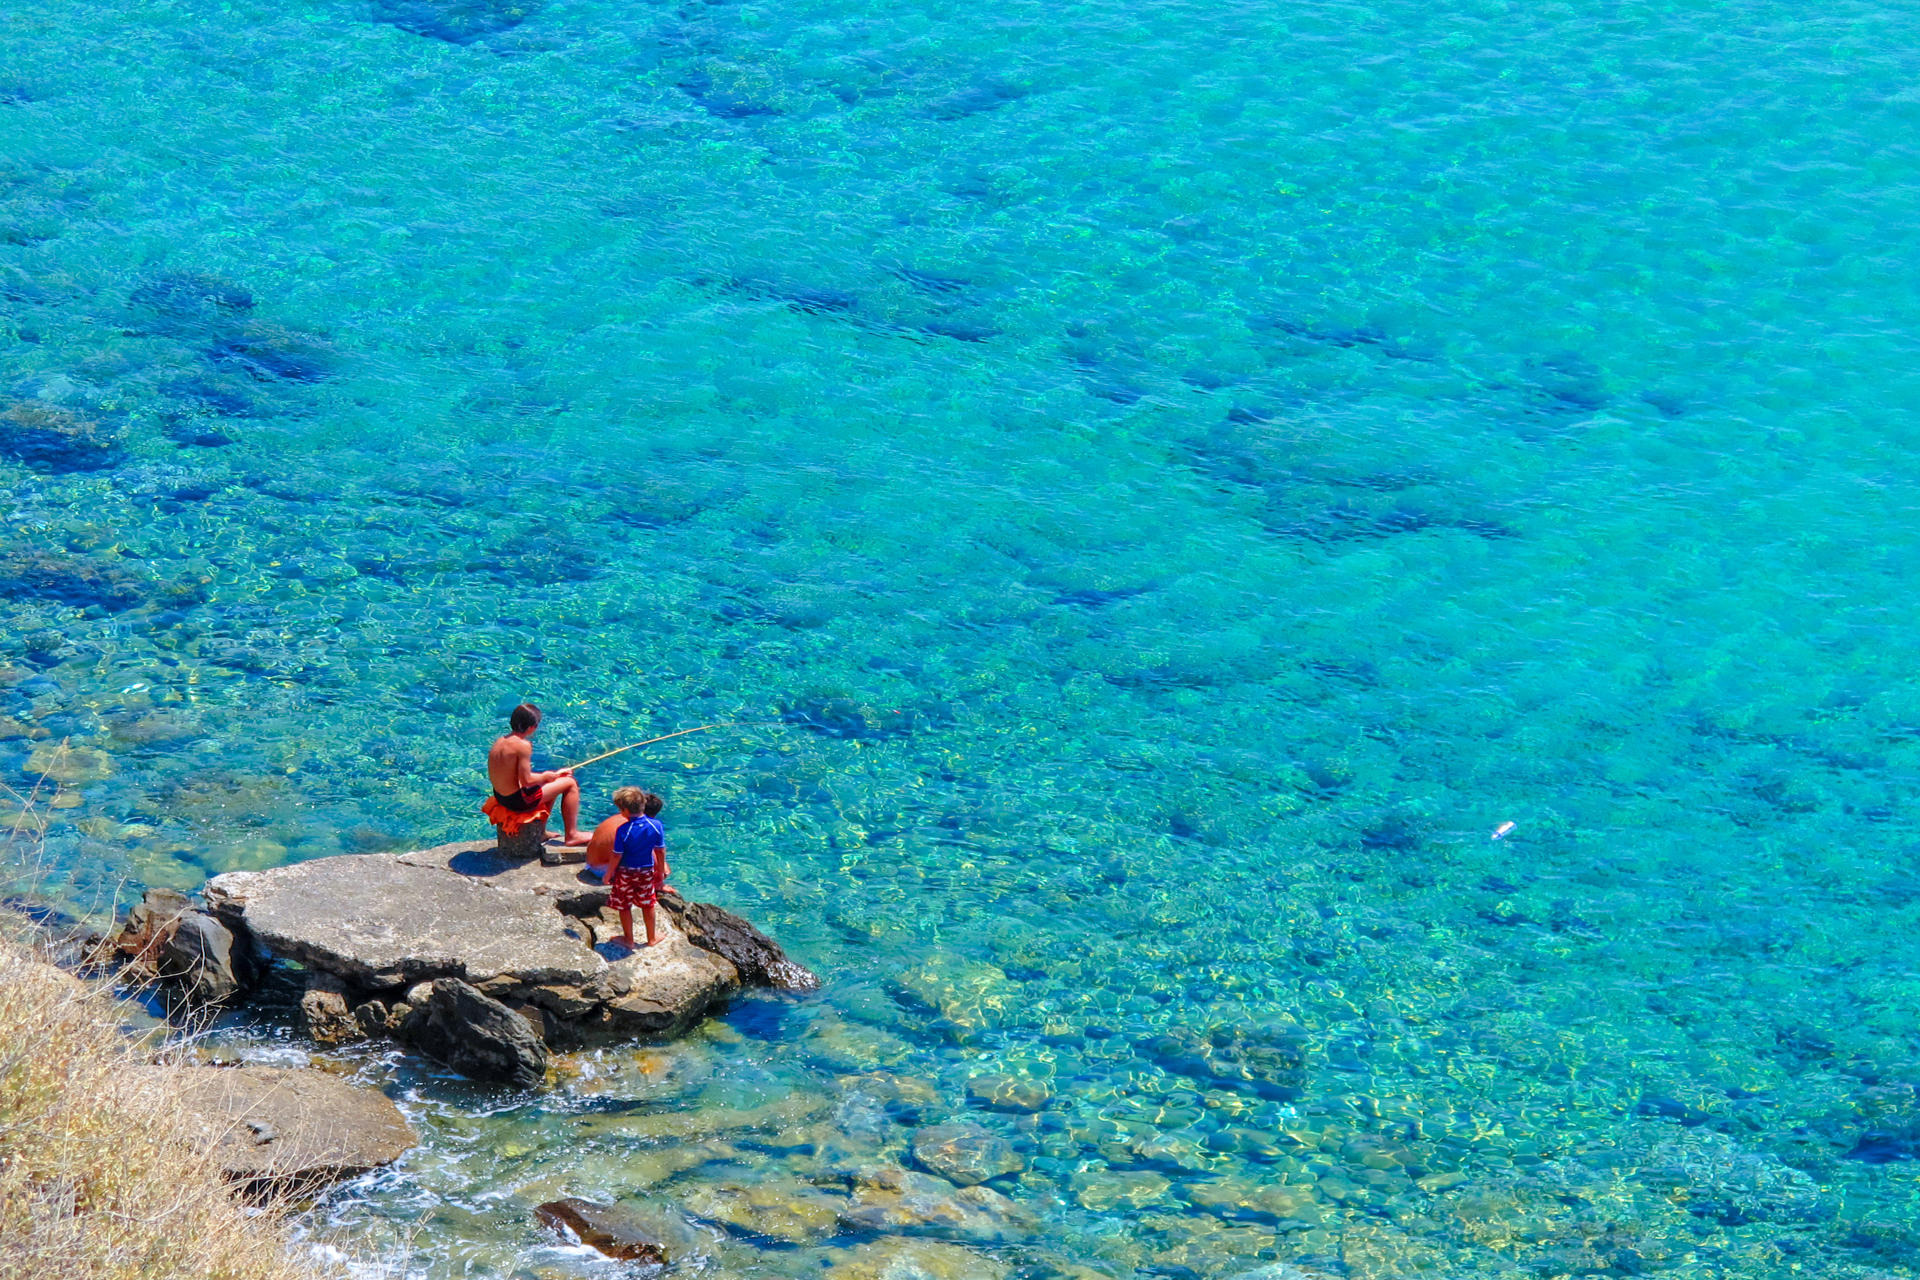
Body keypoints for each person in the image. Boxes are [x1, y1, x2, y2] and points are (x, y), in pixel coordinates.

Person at [486, 703, 588, 846]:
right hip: (516, 801)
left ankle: (541, 833)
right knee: (570, 783)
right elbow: (527, 780)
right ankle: (572, 835)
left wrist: (554, 775)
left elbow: (515, 776)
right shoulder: (523, 745)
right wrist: (547, 776)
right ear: (532, 727)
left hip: (501, 796)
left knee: (555, 782)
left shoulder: (500, 741)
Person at [606, 787, 669, 949]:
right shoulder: (656, 825)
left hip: (625, 873)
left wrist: (609, 873)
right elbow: (660, 850)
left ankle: (629, 940)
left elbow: (617, 855)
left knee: (624, 905)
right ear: (643, 804)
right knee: (648, 904)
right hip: (646, 871)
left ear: (625, 810)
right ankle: (652, 938)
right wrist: (660, 871)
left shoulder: (623, 830)